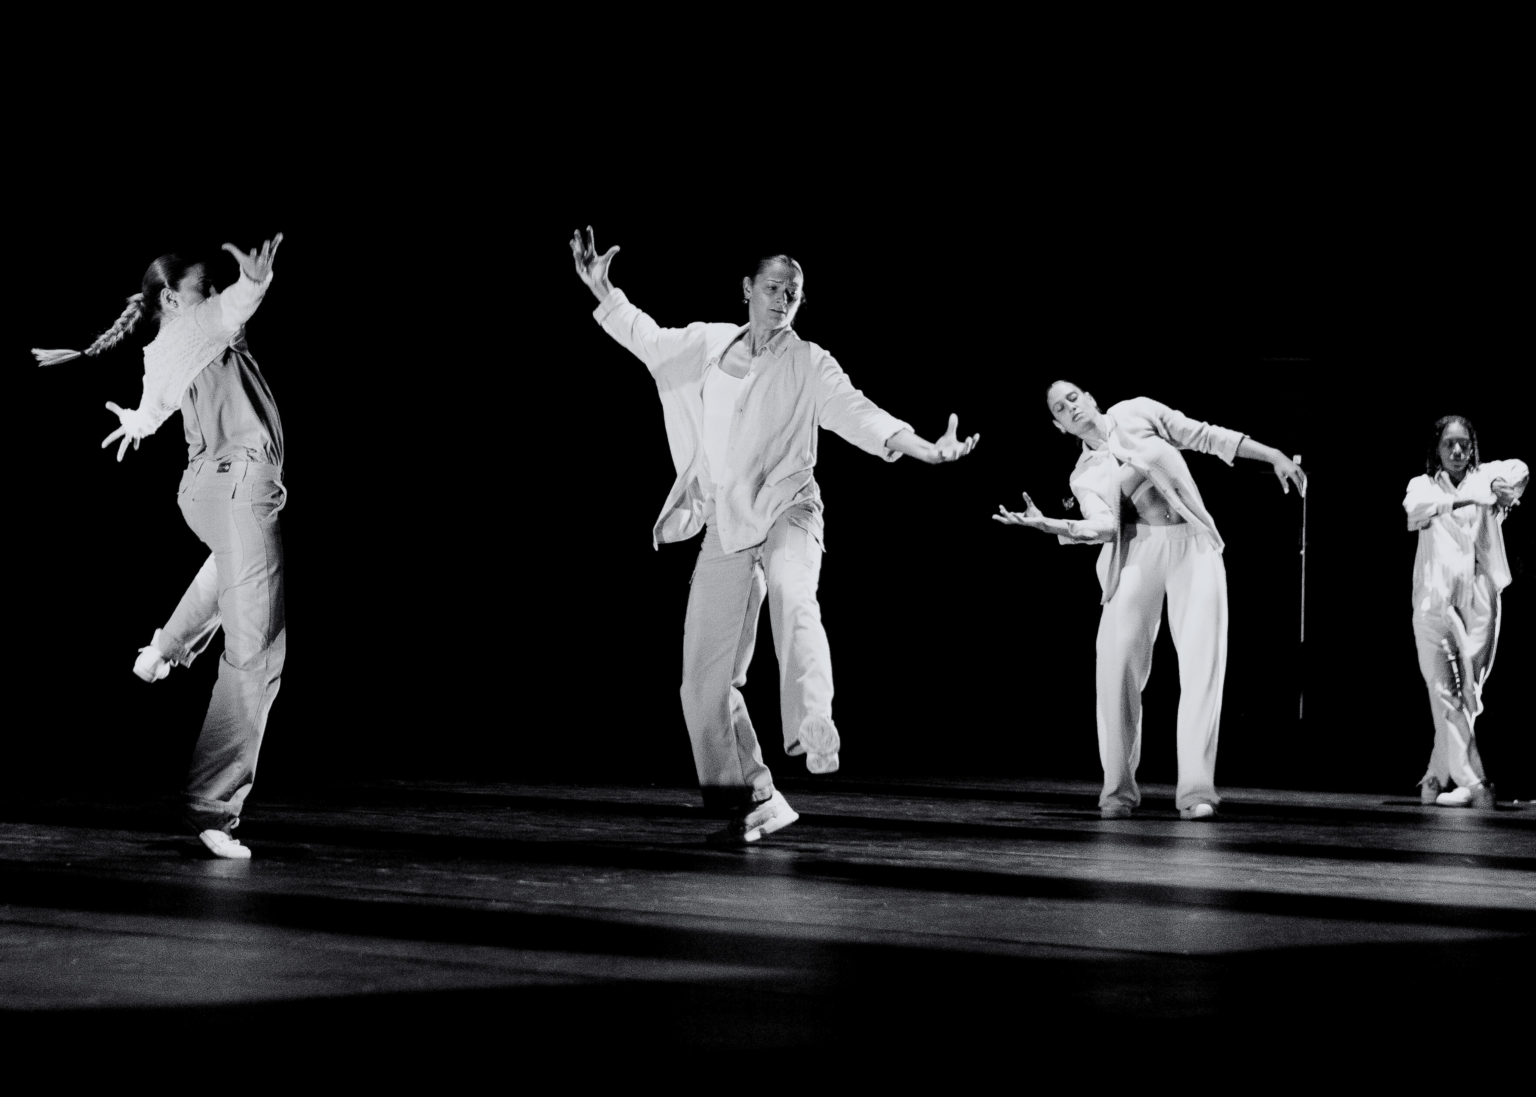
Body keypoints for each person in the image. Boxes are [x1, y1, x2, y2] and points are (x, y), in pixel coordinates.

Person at [570, 226, 977, 844]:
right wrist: (603, 290)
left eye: (794, 291)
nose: (784, 298)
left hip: (791, 510)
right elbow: (646, 338)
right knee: (702, 682)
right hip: (727, 525)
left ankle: (814, 724)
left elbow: (860, 413)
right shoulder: (707, 344)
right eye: (773, 287)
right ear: (747, 289)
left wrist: (926, 449)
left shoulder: (809, 362)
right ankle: (754, 797)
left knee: (793, 594)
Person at [33, 236, 286, 859]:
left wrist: (136, 422)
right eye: (207, 285)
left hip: (205, 492)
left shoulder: (162, 351)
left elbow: (152, 411)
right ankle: (212, 806)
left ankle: (162, 649)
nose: (215, 293)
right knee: (257, 650)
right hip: (237, 484)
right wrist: (253, 284)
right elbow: (232, 308)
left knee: (230, 574)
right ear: (173, 298)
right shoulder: (199, 325)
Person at [994, 381, 1305, 820]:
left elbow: (1204, 435)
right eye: (1060, 408)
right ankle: (1117, 793)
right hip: (1138, 552)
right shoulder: (1083, 475)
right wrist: (1053, 526)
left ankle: (1196, 791)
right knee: (1116, 667)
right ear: (1059, 426)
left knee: (1203, 665)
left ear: (1090, 398)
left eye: (1073, 397)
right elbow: (1105, 527)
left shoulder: (1137, 412)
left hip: (1192, 545)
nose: (1071, 407)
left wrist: (1272, 454)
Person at [1403, 416, 1526, 811]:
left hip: (1481, 599)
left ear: (1472, 447)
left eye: (1463, 444)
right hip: (1434, 601)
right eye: (1448, 444)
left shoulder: (1485, 477)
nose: (1456, 451)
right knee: (1445, 690)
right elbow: (1414, 508)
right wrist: (1469, 500)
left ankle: (1437, 776)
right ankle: (1475, 780)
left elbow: (1520, 469)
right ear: (1436, 449)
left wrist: (1501, 486)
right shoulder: (1423, 485)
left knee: (1469, 694)